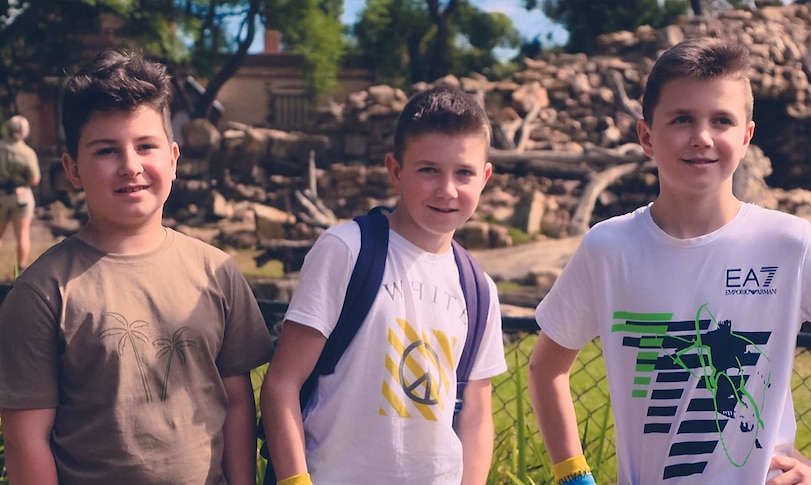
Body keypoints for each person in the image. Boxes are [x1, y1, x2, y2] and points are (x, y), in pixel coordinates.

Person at [528, 37, 811, 485]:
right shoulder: (608, 248)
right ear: (646, 136)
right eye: (682, 119)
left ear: (746, 137)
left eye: (721, 120)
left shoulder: (789, 244)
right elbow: (546, 367)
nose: (702, 137)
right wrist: (573, 475)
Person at [0, 50, 273, 484]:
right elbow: (25, 438)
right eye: (107, 150)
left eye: (146, 146)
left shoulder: (217, 273)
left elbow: (238, 402)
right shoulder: (44, 292)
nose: (130, 166)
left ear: (173, 158)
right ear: (73, 169)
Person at [259, 85, 508, 485]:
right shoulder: (347, 250)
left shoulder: (479, 289)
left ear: (485, 177)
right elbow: (282, 384)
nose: (447, 189)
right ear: (395, 170)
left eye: (463, 173)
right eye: (428, 170)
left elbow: (477, 416)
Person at [0, 114, 41, 272]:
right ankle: (20, 271)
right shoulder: (27, 153)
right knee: (23, 235)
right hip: (21, 196)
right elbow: (35, 179)